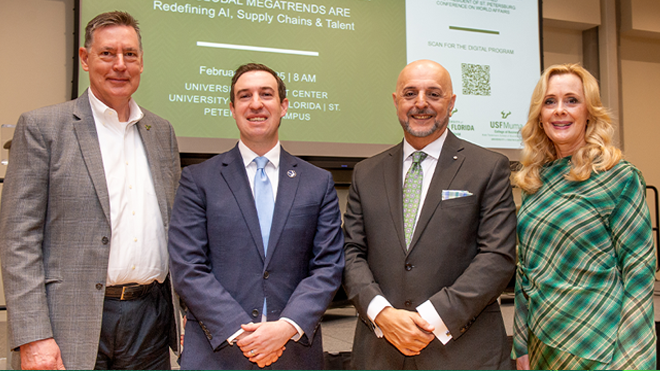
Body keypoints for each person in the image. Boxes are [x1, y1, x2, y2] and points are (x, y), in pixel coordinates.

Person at [0, 11, 182, 370]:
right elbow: (18, 241)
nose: (120, 65)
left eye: (129, 54)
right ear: (85, 59)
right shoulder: (43, 128)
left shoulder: (161, 132)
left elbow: (173, 226)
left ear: (141, 62)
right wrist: (33, 336)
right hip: (72, 321)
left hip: (150, 318)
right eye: (107, 54)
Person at [167, 63, 344, 370]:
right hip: (218, 351)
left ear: (284, 106)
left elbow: (328, 266)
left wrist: (286, 326)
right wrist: (242, 331)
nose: (256, 104)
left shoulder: (318, 182)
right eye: (245, 96)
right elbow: (187, 267)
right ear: (233, 109)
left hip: (292, 351)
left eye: (266, 94)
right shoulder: (198, 180)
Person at [342, 59, 517, 369]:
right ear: (396, 102)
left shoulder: (488, 168)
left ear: (451, 103)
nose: (420, 103)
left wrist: (429, 319)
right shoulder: (366, 173)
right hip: (380, 352)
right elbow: (351, 253)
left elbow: (497, 257)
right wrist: (382, 313)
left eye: (433, 94)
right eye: (410, 94)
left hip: (464, 354)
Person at [512, 63, 656, 370]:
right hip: (542, 345)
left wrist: (632, 361)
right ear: (540, 114)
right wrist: (521, 343)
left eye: (572, 100)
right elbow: (526, 271)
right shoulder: (535, 182)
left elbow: (639, 272)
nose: (559, 110)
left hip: (600, 347)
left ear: (589, 111)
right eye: (550, 101)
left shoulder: (619, 177)